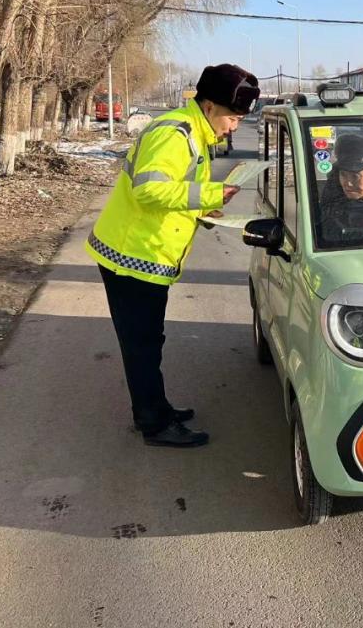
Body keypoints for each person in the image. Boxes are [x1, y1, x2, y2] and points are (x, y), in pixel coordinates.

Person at [85, 64, 259, 447]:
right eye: (233, 117)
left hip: (146, 256)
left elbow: (177, 190)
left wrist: (203, 210)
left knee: (149, 340)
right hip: (131, 256)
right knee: (142, 344)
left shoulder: (193, 132)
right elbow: (149, 191)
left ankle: (156, 407)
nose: (235, 127)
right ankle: (153, 422)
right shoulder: (175, 134)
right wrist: (210, 196)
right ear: (209, 105)